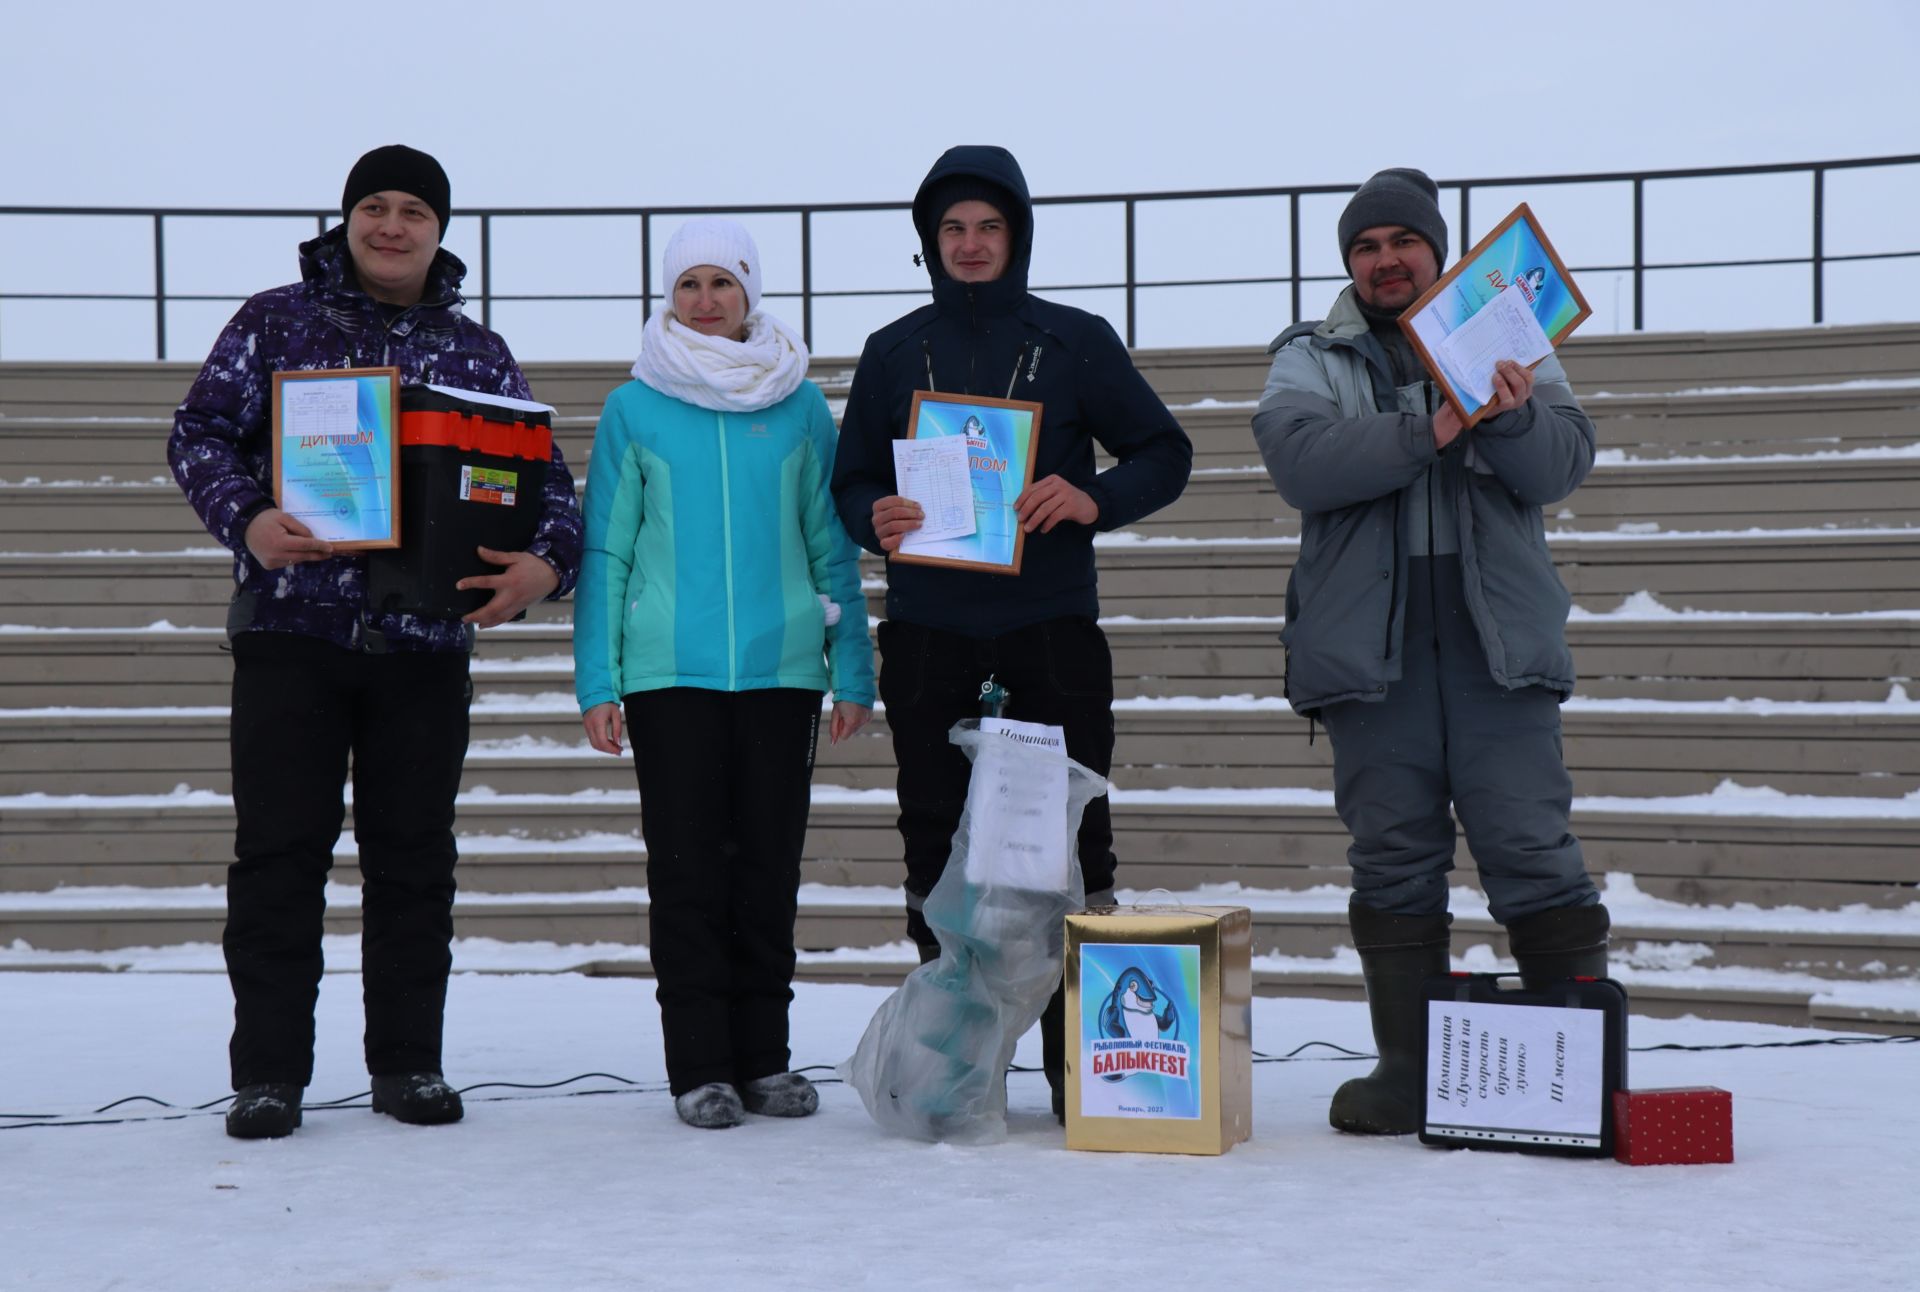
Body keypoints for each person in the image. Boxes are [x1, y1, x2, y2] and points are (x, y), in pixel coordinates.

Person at [168, 145, 583, 1139]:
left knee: (413, 861)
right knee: (277, 857)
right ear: (347, 219)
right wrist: (251, 518)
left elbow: (551, 491)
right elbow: (199, 431)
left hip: (423, 649)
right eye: (375, 207)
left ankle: (409, 1063)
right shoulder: (274, 319)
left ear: (441, 231)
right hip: (291, 633)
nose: (392, 226)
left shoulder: (479, 352)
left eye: (413, 211)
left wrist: (542, 570)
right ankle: (267, 1072)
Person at [830, 145, 1192, 1121]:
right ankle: (952, 1074)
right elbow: (851, 479)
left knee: (1073, 849)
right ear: (928, 242)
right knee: (935, 852)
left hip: (1049, 632)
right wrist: (878, 515)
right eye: (953, 228)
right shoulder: (895, 349)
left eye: (990, 225)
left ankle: (1085, 1074)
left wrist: (1092, 494)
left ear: (1018, 233)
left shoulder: (1076, 340)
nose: (972, 243)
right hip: (930, 633)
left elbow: (1166, 450)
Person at [1251, 167, 1611, 1136]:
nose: (1384, 260)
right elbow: (1300, 462)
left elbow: (1564, 462)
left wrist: (1512, 414)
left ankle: (1575, 1072)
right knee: (1393, 857)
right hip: (1373, 650)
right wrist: (1432, 426)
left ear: (1438, 251)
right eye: (1365, 247)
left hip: (1497, 641)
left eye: (1402, 242)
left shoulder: (1514, 337)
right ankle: (1408, 1068)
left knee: (1532, 847)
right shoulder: (1308, 353)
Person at [574, 218, 875, 1130]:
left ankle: (765, 1060)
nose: (707, 301)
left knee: (768, 873)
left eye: (724, 284)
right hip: (671, 677)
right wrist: (601, 682)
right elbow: (606, 551)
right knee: (690, 872)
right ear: (669, 296)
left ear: (751, 294)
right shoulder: (636, 407)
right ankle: (700, 1065)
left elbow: (830, 545)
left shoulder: (799, 405)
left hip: (782, 673)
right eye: (690, 284)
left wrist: (852, 667)